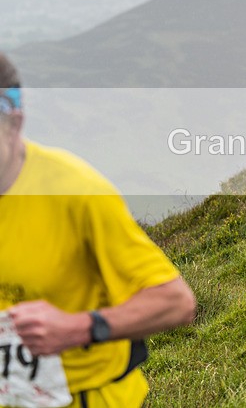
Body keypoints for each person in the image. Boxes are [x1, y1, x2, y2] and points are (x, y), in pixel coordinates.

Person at [0, 51, 196, 407]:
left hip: (88, 398)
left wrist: (75, 328)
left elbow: (176, 303)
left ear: (14, 121)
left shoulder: (77, 192)